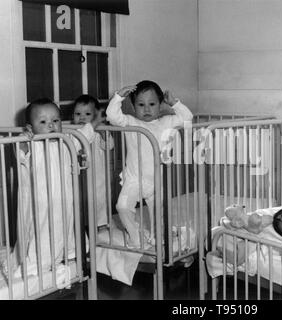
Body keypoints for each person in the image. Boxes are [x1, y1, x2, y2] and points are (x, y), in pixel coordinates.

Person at [3, 98, 102, 277]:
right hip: (40, 206)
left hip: (63, 203)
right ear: (30, 128)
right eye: (43, 122)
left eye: (55, 120)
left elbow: (85, 134)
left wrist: (96, 120)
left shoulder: (67, 141)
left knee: (67, 229)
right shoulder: (33, 144)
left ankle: (68, 255)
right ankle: (36, 266)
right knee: (40, 235)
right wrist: (25, 140)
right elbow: (21, 153)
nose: (51, 125)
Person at [106, 80, 193, 247]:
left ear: (160, 105)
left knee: (157, 213)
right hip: (134, 179)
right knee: (122, 206)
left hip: (157, 180)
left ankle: (156, 235)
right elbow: (112, 116)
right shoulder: (130, 122)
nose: (146, 109)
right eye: (140, 104)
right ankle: (135, 234)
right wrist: (118, 97)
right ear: (133, 105)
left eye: (152, 104)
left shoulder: (166, 122)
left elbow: (187, 117)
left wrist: (174, 103)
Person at [72, 94, 114, 227]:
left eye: (87, 114)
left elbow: (109, 146)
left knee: (99, 200)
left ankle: (100, 224)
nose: (82, 117)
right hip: (78, 177)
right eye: (77, 113)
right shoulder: (71, 133)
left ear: (95, 116)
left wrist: (103, 133)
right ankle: (81, 226)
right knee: (78, 202)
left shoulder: (97, 132)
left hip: (97, 176)